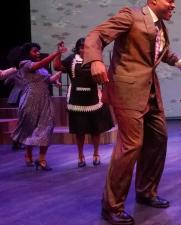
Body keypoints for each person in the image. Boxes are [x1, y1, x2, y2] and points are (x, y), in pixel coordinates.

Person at [84, 0, 181, 225]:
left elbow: (160, 52)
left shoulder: (159, 26)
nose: (174, 5)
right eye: (170, 1)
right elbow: (97, 35)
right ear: (153, 0)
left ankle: (146, 191)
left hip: (150, 89)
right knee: (131, 144)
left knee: (158, 138)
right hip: (127, 89)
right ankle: (111, 206)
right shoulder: (131, 16)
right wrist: (95, 60)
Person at [54, 38, 115, 167]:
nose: (84, 50)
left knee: (95, 130)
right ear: (78, 48)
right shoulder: (71, 59)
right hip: (77, 99)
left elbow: (103, 78)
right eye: (81, 47)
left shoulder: (95, 60)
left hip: (92, 98)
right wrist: (58, 53)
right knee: (79, 130)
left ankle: (96, 154)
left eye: (86, 47)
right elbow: (57, 66)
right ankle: (80, 156)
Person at [11, 42, 65, 171]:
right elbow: (39, 64)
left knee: (47, 128)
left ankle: (41, 159)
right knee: (31, 128)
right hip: (30, 99)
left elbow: (48, 80)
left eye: (38, 51)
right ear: (27, 53)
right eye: (35, 51)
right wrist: (56, 53)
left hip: (45, 100)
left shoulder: (42, 70)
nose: (38, 53)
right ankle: (28, 154)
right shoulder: (25, 64)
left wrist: (57, 77)